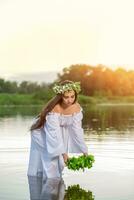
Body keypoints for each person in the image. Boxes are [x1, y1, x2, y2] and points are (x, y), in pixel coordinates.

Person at [27, 80, 88, 179]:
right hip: (42, 132)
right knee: (52, 159)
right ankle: (48, 183)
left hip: (59, 131)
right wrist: (64, 154)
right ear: (60, 96)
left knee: (59, 162)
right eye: (66, 97)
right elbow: (54, 132)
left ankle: (57, 187)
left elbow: (77, 130)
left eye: (72, 96)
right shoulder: (55, 109)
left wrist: (84, 150)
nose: (70, 100)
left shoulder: (76, 108)